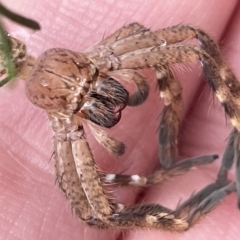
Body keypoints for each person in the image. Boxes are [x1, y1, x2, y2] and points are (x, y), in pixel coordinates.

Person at [1, 0, 239, 239]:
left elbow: (171, 35)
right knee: (93, 212)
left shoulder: (67, 127)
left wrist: (170, 91)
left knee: (191, 41)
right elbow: (92, 211)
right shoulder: (98, 69)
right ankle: (177, 221)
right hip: (98, 62)